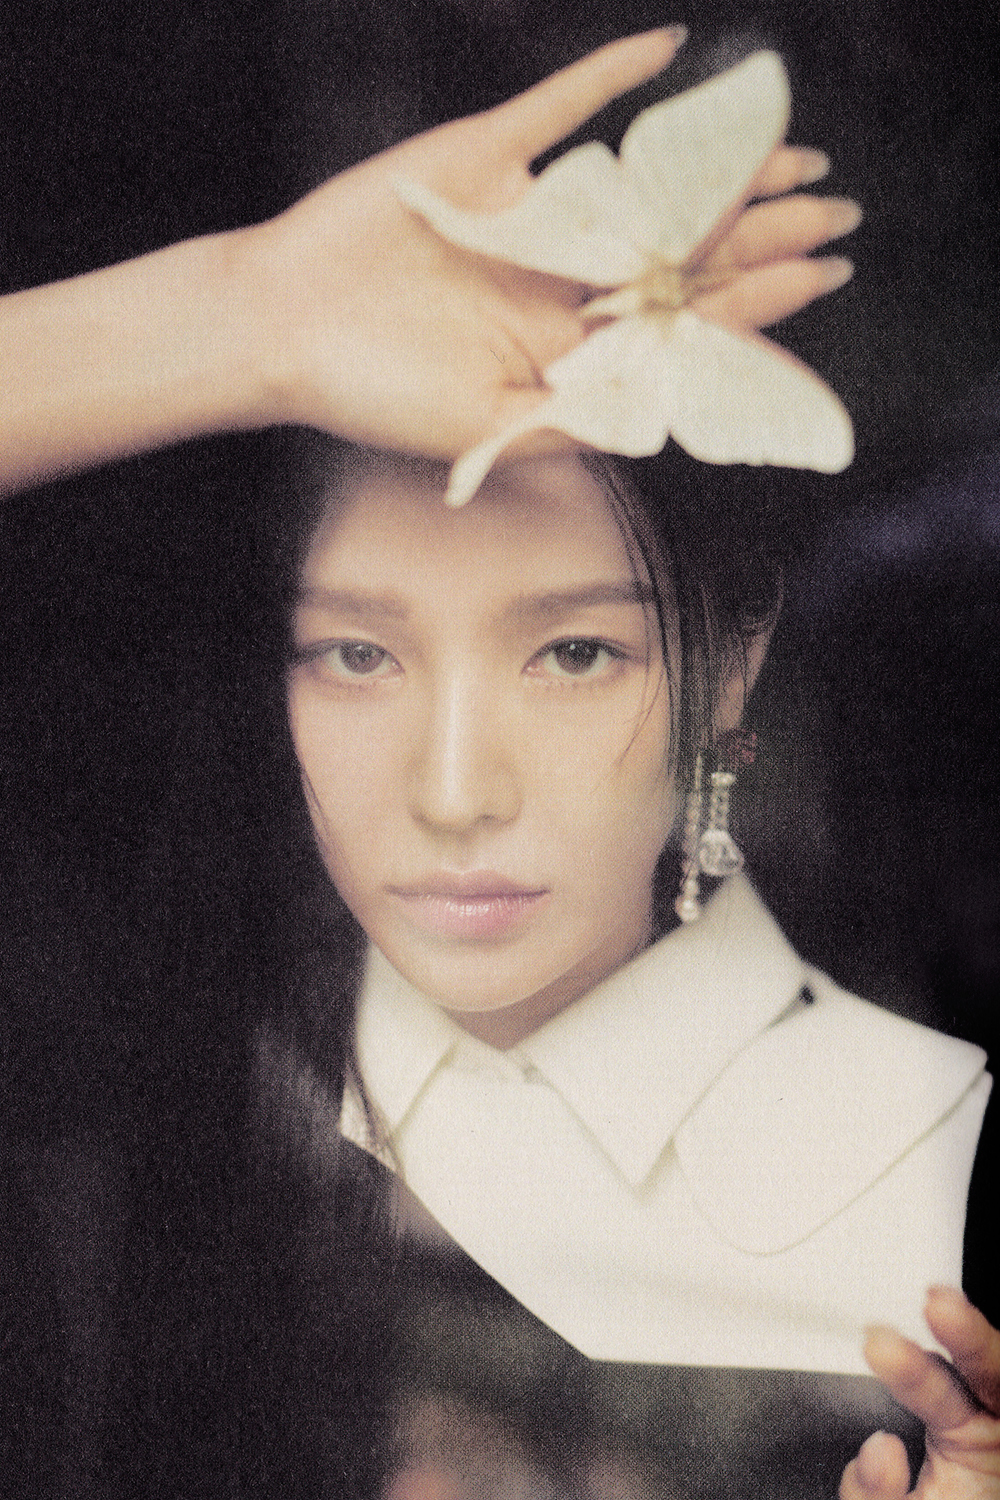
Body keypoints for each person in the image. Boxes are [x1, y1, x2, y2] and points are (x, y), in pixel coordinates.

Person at [2, 27, 996, 1500]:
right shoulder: (145, 1133)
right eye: (356, 655)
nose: (456, 787)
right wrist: (238, 318)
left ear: (732, 665)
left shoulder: (920, 1206)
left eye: (573, 654)